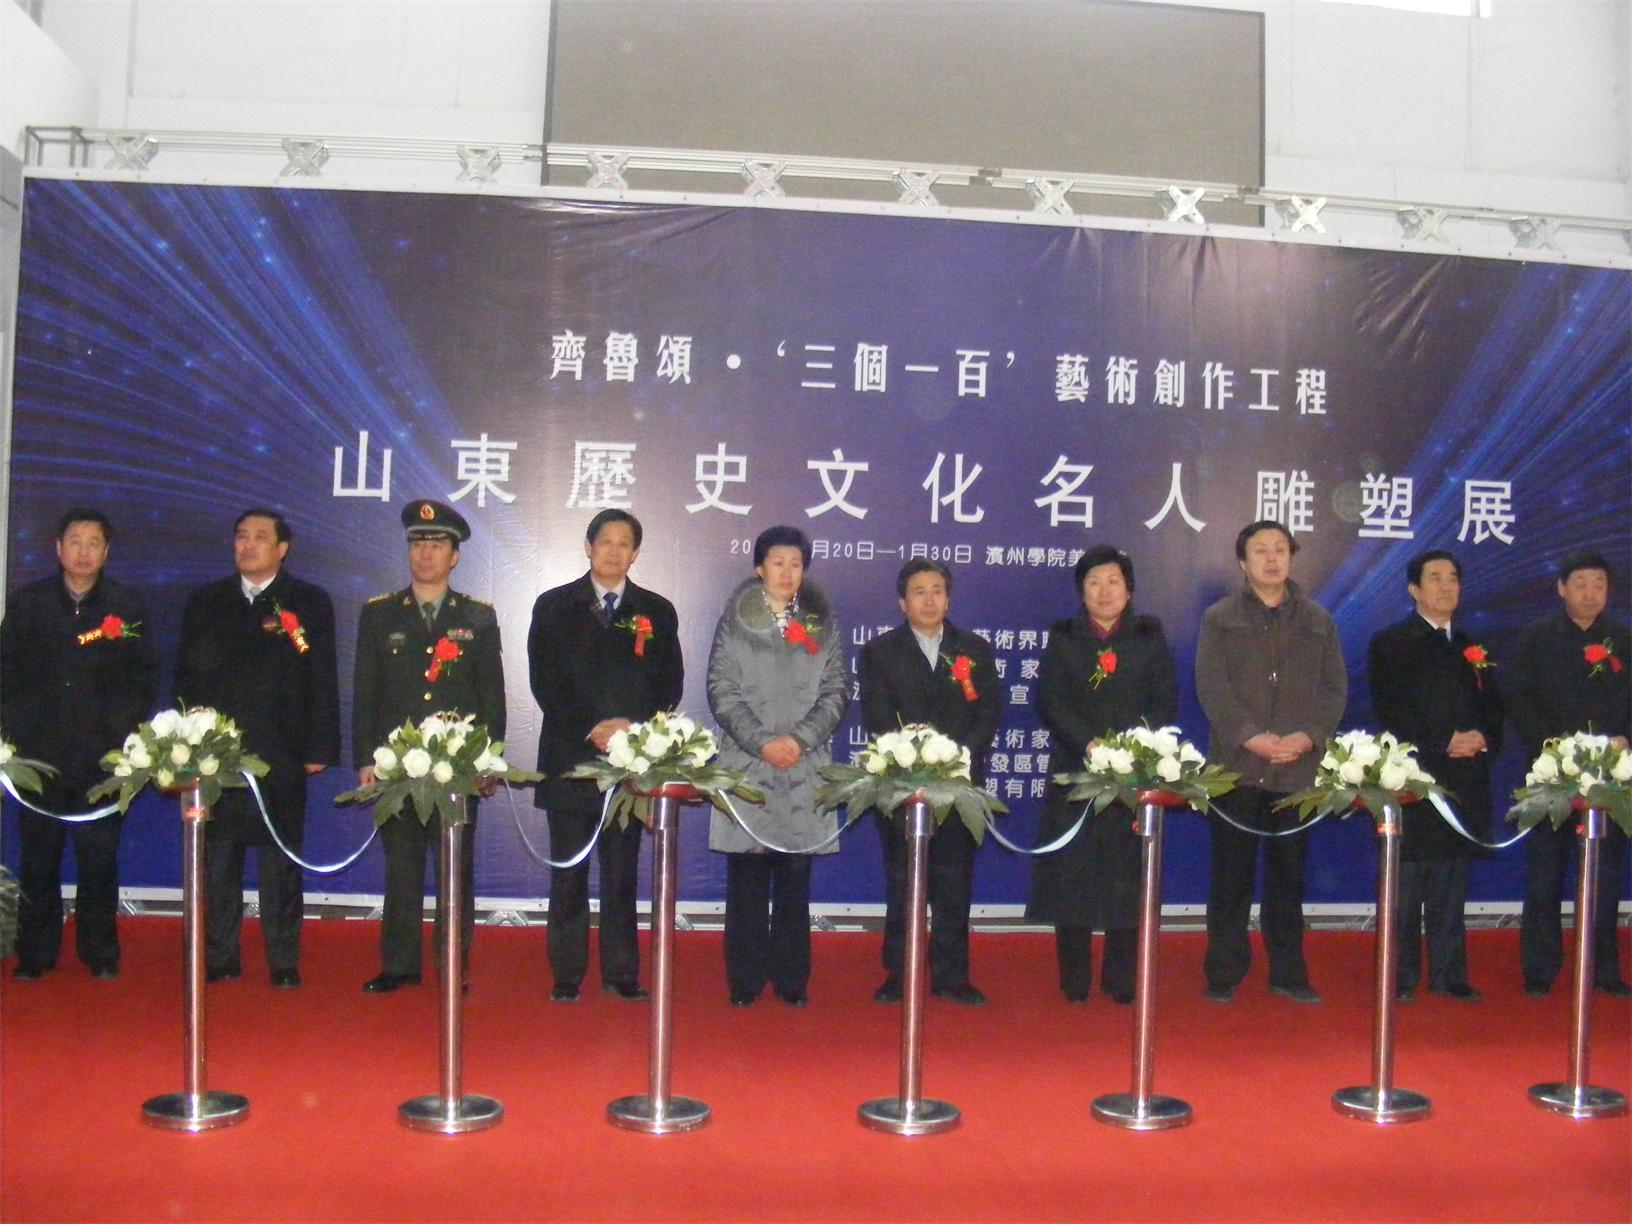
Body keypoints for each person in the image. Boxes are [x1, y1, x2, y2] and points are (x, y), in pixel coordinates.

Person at [174, 510, 340, 988]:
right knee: (218, 859)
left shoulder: (308, 601)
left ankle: (283, 959)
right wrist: (184, 743)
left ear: (282, 549)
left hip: (281, 750)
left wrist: (320, 744)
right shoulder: (207, 600)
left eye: (260, 538)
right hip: (216, 755)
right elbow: (185, 676)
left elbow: (322, 676)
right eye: (241, 537)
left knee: (281, 861)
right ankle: (220, 956)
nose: (247, 545)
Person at [528, 509, 683, 1003]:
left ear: (635, 554)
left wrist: (630, 731)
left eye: (624, 544)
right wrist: (591, 728)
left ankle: (621, 973)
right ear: (588, 547)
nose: (614, 551)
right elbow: (544, 681)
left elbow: (670, 685)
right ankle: (567, 973)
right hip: (570, 757)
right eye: (605, 542)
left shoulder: (656, 610)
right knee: (568, 872)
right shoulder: (554, 605)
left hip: (630, 762)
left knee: (622, 871)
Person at [352, 500, 506, 993]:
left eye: (437, 544)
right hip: (397, 764)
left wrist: (489, 760)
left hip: (457, 768)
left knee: (454, 871)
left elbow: (491, 695)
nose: (425, 553)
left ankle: (452, 965)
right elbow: (365, 691)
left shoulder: (477, 616)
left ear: (454, 556)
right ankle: (399, 965)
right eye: (418, 543)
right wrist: (365, 758)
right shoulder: (379, 614)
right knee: (401, 868)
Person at [2, 508, 158, 981]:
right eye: (75, 542)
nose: (83, 552)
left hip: (103, 761)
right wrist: (17, 736)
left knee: (99, 861)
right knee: (38, 860)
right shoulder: (28, 604)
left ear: (106, 552)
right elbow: (7, 674)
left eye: (93, 543)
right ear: (58, 548)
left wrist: (121, 733)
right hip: (39, 759)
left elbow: (143, 677)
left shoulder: (125, 606)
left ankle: (100, 951)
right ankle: (36, 952)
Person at [1195, 520, 1347, 1004]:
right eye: (1260, 551)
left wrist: (1308, 737)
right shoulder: (1220, 618)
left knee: (1289, 879)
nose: (1272, 558)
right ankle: (1224, 972)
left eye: (1280, 549)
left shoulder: (1319, 621)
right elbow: (1212, 687)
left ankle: (1288, 972)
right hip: (1236, 770)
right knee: (1231, 879)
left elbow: (1333, 690)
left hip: (1297, 771)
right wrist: (1250, 737)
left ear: (1291, 557)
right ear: (1243, 563)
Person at [1028, 545, 1177, 1004]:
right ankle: (1074, 979)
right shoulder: (1064, 637)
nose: (1104, 591)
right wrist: (1089, 744)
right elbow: (1051, 701)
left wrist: (1132, 750)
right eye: (1094, 582)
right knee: (1070, 876)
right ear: (1082, 591)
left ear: (1129, 590)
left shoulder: (1149, 636)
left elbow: (1163, 702)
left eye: (1113, 581)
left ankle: (1121, 977)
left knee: (1127, 875)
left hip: (1134, 775)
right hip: (1076, 771)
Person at [707, 525, 848, 1007]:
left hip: (804, 764)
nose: (787, 572)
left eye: (796, 564)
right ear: (758, 568)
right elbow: (721, 689)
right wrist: (763, 742)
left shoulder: (822, 622)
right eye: (777, 563)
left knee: (794, 879)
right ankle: (745, 981)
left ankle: (792, 981)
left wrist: (800, 740)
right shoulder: (734, 621)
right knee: (745, 880)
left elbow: (837, 690)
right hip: (748, 762)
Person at [859, 559, 1001, 1007]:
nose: (929, 599)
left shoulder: (974, 649)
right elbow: (877, 716)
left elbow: (989, 714)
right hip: (902, 785)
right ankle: (899, 974)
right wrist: (915, 759)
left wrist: (957, 759)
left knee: (954, 882)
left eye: (937, 590)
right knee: (903, 884)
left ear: (948, 599)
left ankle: (951, 975)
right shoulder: (879, 652)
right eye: (918, 591)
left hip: (959, 786)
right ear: (902, 602)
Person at [1366, 549, 1502, 1002]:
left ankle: (1449, 974)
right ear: (1414, 589)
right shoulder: (1391, 642)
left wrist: (1482, 737)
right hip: (1414, 778)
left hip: (1464, 779)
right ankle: (1400, 975)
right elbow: (1390, 709)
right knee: (1407, 883)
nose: (1446, 586)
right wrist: (1443, 739)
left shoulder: (1472, 645)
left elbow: (1494, 708)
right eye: (1435, 578)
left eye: (1453, 578)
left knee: (1451, 880)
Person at [1507, 550, 1631, 997]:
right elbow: (1519, 699)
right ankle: (1540, 969)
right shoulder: (1535, 639)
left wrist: (1625, 741)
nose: (1590, 593)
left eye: (1599, 584)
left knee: (1605, 875)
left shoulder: (1624, 639)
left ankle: (1603, 968)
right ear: (1562, 588)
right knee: (1545, 873)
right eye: (1581, 584)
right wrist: (1554, 749)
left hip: (1610, 778)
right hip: (1552, 775)